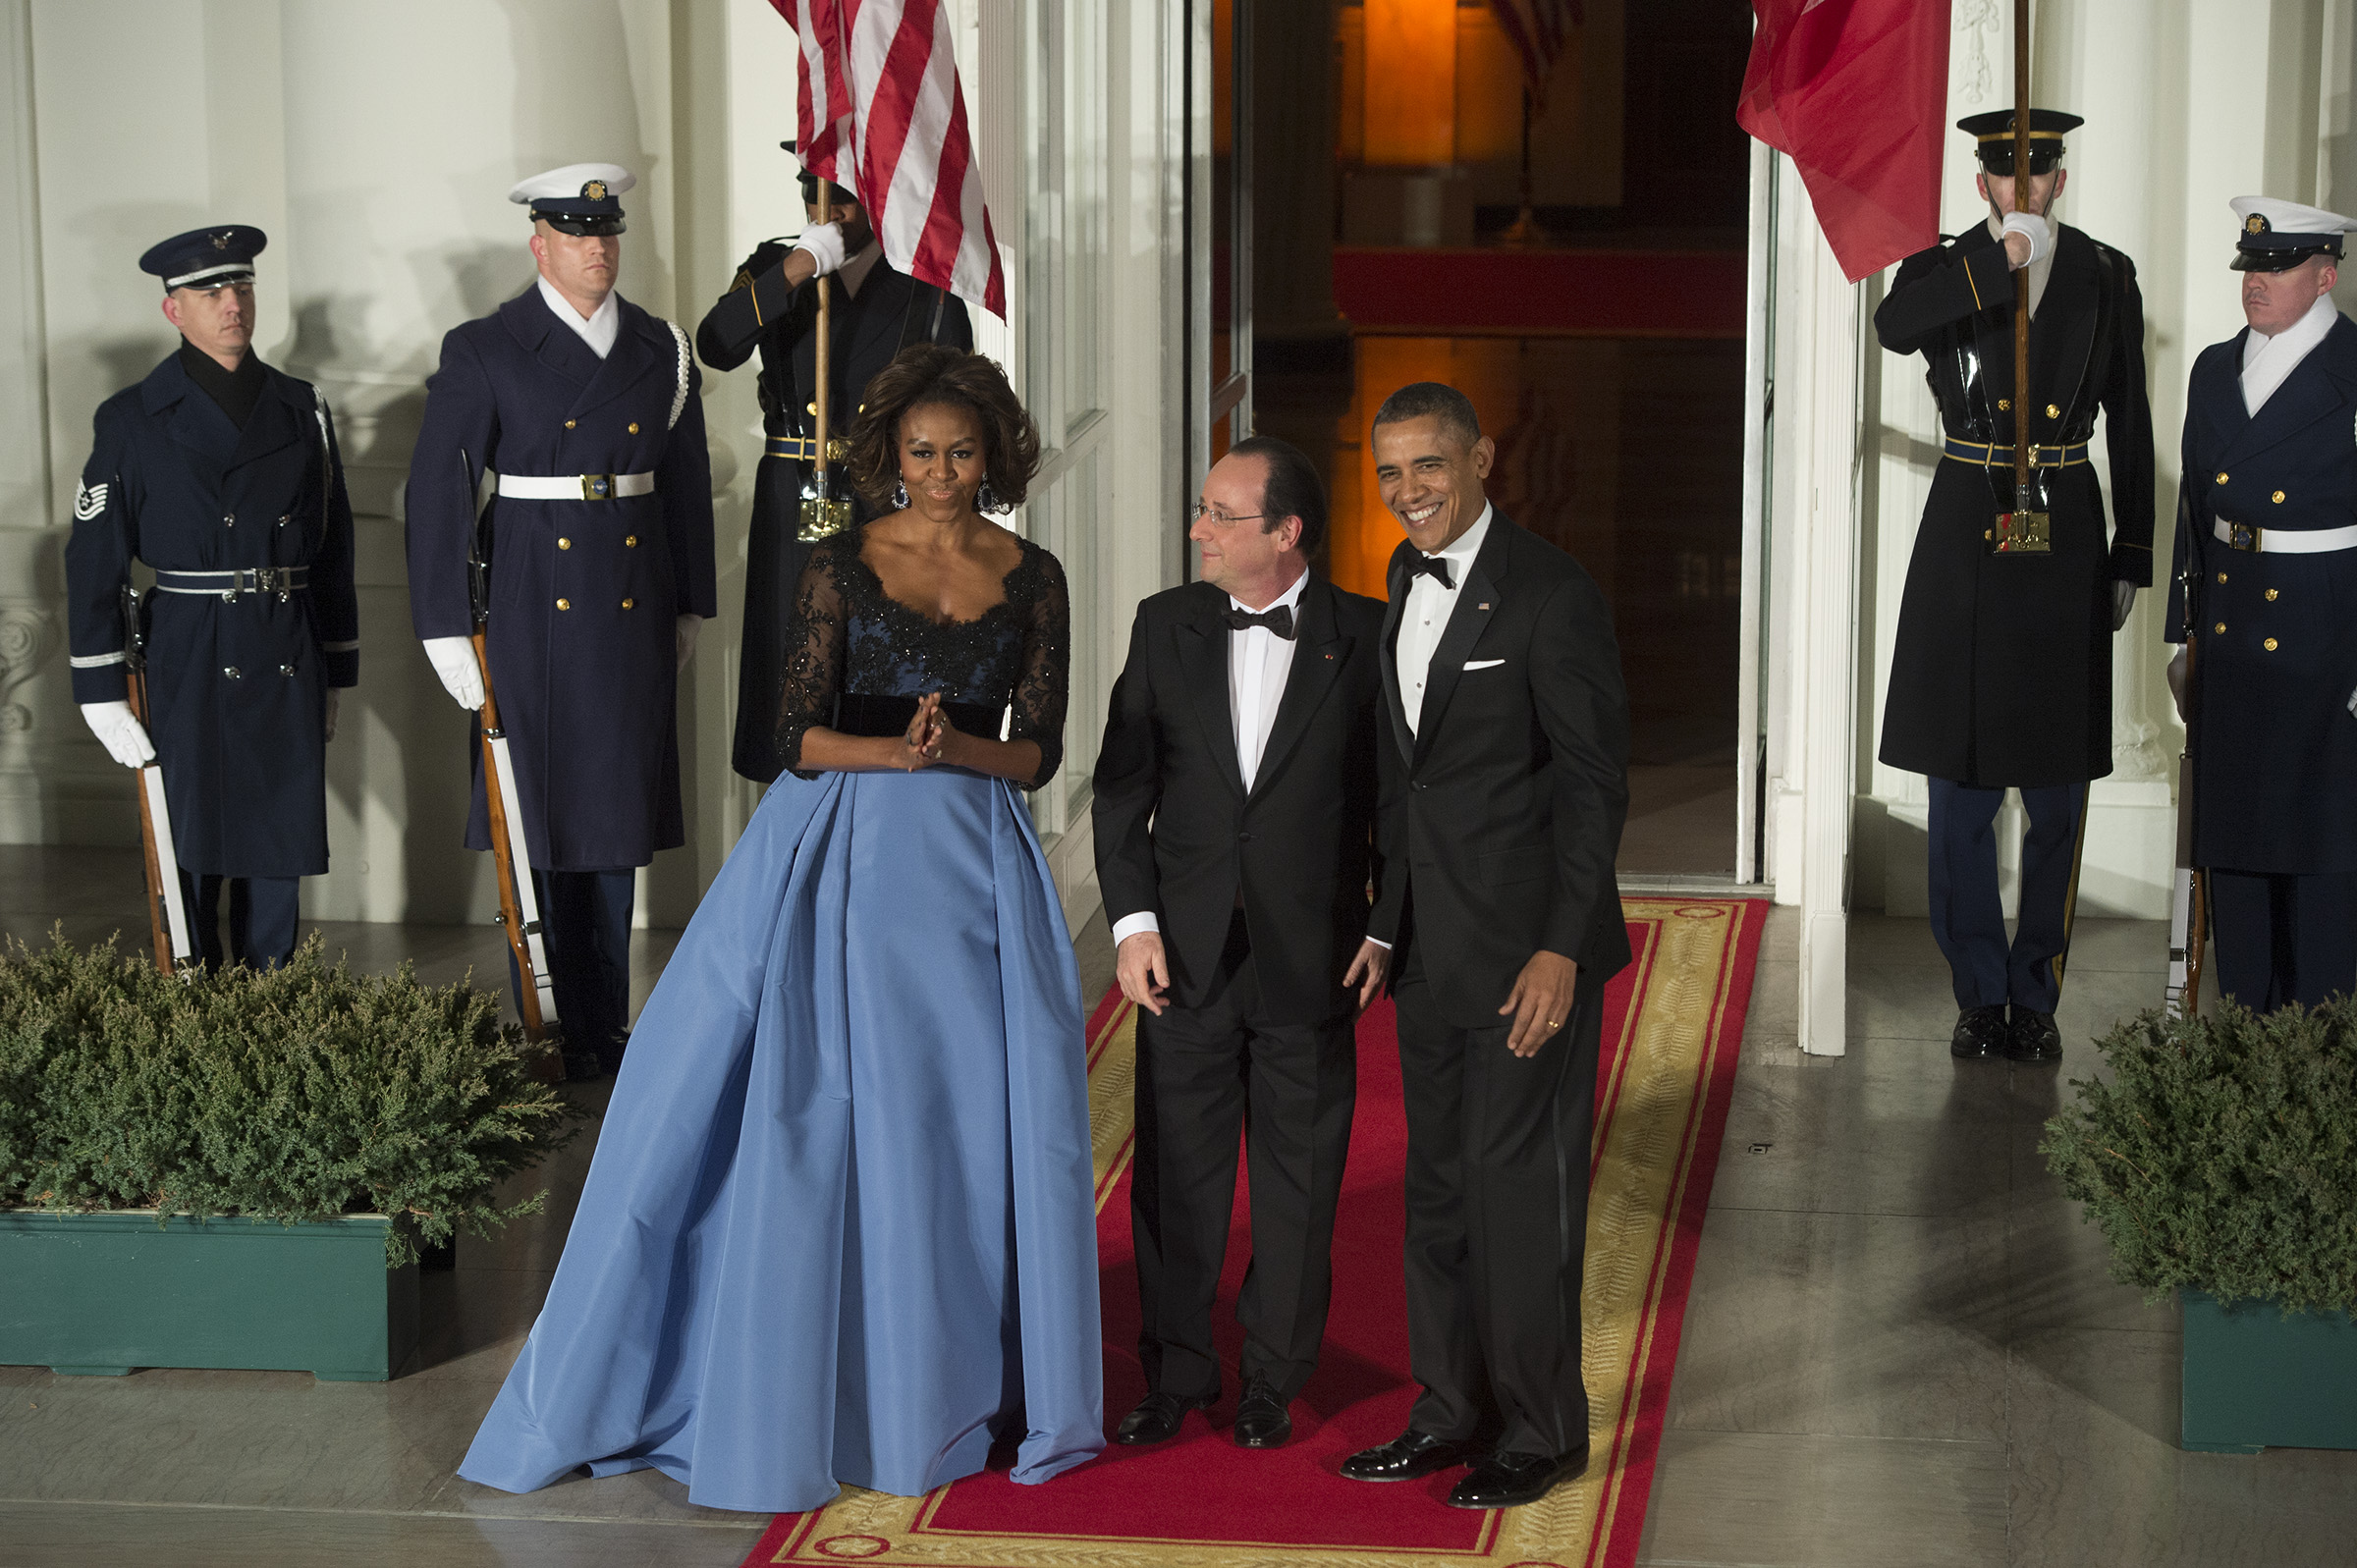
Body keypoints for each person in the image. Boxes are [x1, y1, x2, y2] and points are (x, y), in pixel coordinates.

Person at [457, 343, 1101, 1513]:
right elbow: (791, 733)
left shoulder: (1037, 575)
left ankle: (958, 1375)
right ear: (889, 456)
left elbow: (1041, 749)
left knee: (961, 1124)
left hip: (974, 875)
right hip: (840, 858)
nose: (941, 472)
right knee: (815, 1117)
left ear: (993, 455)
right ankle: (818, 1377)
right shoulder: (832, 565)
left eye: (961, 453)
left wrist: (956, 749)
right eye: (920, 452)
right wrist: (896, 752)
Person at [1338, 382, 1629, 1511]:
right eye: (1391, 472)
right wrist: (1380, 923)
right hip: (1427, 952)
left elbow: (1596, 788)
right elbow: (1408, 789)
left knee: (1523, 1195)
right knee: (1441, 1190)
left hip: (1525, 960)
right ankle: (1450, 1411)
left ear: (1482, 459)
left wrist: (1562, 949)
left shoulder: (1553, 596)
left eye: (1429, 466)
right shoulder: (1401, 584)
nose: (1409, 490)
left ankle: (1544, 1430)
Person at [1091, 436, 1398, 1451]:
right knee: (1176, 1178)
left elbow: (1398, 803)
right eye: (1204, 511)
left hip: (1312, 954)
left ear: (1285, 532)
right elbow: (1124, 786)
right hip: (1184, 953)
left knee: (1301, 1185)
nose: (1199, 532)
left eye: (1222, 516)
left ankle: (1271, 1381)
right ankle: (1175, 1375)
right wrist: (1132, 925)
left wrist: (1387, 922)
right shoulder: (1164, 624)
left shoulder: (1369, 636)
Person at [404, 163, 717, 1078]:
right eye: (580, 234)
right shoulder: (486, 346)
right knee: (535, 815)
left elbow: (686, 483)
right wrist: (441, 626)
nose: (599, 248)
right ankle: (543, 1011)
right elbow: (438, 490)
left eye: (609, 232)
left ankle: (603, 1020)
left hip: (630, 599)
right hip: (531, 593)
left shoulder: (662, 348)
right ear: (540, 244)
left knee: (615, 818)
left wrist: (691, 600)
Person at [1872, 108, 2155, 1064]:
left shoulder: (2104, 274)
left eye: (2037, 179)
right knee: (1959, 786)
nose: (2021, 192)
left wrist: (2134, 552)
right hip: (1965, 525)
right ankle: (1978, 991)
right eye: (2004, 177)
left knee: (2058, 787)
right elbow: (1893, 327)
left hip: (2065, 521)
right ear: (1983, 183)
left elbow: (2134, 422)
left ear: (2059, 182)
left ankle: (2035, 995)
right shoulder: (1943, 268)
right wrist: (1995, 262)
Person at [63, 225, 357, 969]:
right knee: (185, 848)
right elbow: (93, 559)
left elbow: (332, 548)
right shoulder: (132, 418)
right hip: (187, 650)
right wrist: (100, 689)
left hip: (283, 643)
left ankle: (270, 1014)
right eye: (210, 291)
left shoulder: (301, 408)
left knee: (275, 851)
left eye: (242, 287)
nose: (232, 305)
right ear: (174, 311)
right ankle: (194, 1023)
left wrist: (335, 668)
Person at [696, 145, 973, 784]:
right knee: (790, 667)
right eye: (810, 197)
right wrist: (797, 268)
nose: (825, 213)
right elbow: (716, 344)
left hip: (886, 503)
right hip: (793, 498)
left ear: (876, 197)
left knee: (872, 674)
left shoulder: (923, 284)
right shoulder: (775, 266)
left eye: (841, 200)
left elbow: (960, 420)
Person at [2167, 196, 2357, 1010]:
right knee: (2236, 851)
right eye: (2250, 266)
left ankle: (2317, 1058)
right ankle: (2248, 1032)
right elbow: (2195, 516)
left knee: (2321, 853)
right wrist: (2183, 638)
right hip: (2233, 628)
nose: (2256, 281)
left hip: (2326, 632)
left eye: (2276, 267)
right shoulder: (2215, 367)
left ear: (2325, 275)